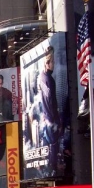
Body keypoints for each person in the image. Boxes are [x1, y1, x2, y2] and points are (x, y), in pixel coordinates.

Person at [38, 45, 61, 176]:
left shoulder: (43, 77)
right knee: (53, 145)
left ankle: (49, 169)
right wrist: (53, 120)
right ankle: (52, 169)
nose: (54, 64)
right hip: (50, 120)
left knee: (49, 146)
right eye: (52, 62)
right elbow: (49, 99)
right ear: (47, 63)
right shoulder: (48, 79)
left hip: (47, 119)